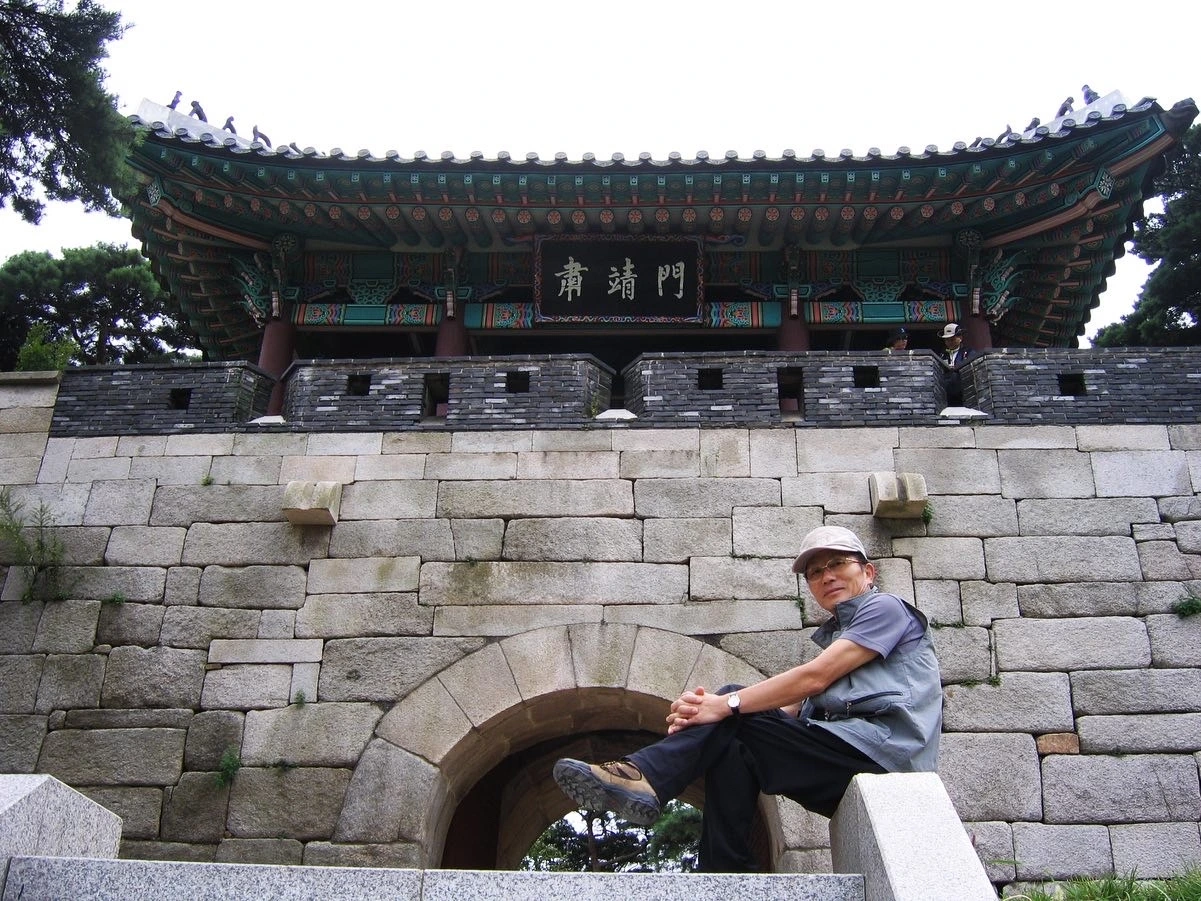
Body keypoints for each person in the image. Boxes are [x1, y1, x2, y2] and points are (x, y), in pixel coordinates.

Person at [552, 525, 943, 872]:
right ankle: (724, 870)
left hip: (884, 756)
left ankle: (646, 775)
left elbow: (814, 677)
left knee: (732, 707)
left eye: (838, 564)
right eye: (815, 572)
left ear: (868, 572)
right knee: (733, 734)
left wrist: (724, 705)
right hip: (844, 763)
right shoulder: (840, 642)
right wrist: (701, 714)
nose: (827, 576)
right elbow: (780, 713)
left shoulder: (884, 608)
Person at [940, 322, 977, 405]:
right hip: (946, 393)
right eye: (947, 340)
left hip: (964, 391)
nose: (949, 342)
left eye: (952, 339)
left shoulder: (968, 352)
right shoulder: (942, 355)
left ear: (960, 338)